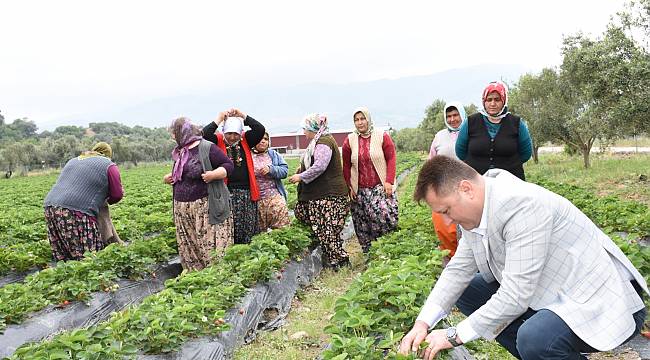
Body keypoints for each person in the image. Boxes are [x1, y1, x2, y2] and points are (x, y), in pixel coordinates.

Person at [399, 156, 648, 360]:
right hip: (553, 290)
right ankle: (539, 357)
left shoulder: (521, 205)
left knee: (535, 337)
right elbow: (457, 271)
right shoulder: (478, 209)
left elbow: (515, 296)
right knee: (470, 290)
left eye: (446, 210)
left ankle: (542, 351)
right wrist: (423, 322)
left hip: (599, 300)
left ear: (466, 189)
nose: (446, 221)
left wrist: (454, 336)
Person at [163, 117, 234, 271]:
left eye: (174, 133)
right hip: (182, 208)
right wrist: (170, 176)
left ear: (183, 132)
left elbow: (228, 165)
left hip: (204, 206)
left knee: (209, 244)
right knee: (190, 244)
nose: (173, 137)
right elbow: (185, 171)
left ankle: (215, 276)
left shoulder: (206, 147)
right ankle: (195, 275)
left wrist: (214, 174)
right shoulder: (181, 151)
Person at [43, 142, 124, 261]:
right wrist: (105, 199)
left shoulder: (73, 160)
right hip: (76, 212)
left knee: (64, 258)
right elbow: (117, 195)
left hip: (50, 208)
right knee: (89, 259)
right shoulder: (109, 165)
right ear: (108, 155)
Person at [289, 113, 350, 269]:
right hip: (321, 195)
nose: (303, 132)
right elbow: (315, 163)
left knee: (328, 229)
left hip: (329, 195)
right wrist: (302, 168)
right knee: (324, 228)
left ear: (312, 128)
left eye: (305, 128)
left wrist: (301, 176)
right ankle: (335, 259)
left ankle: (339, 262)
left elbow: (320, 166)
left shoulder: (323, 142)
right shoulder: (319, 141)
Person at [203, 108, 266, 244]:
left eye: (236, 134)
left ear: (240, 133)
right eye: (229, 133)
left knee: (247, 226)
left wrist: (242, 115)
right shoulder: (217, 140)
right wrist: (219, 118)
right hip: (226, 192)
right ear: (224, 132)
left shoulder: (246, 140)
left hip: (246, 193)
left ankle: (247, 251)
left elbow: (260, 129)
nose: (232, 137)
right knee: (229, 226)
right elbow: (205, 134)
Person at [342, 107, 398, 253]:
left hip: (380, 185)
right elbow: (346, 165)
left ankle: (388, 248)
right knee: (363, 222)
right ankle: (370, 253)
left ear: (368, 119)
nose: (360, 123)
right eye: (356, 120)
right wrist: (349, 187)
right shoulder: (350, 140)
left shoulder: (381, 136)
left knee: (384, 216)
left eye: (362, 119)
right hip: (359, 188)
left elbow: (391, 158)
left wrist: (389, 181)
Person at [455, 81, 532, 180]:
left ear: (503, 101)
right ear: (484, 101)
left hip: (511, 182)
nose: (492, 103)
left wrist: (509, 164)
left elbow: (526, 153)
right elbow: (460, 152)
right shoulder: (470, 122)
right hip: (477, 182)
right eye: (489, 99)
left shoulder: (516, 123)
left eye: (497, 99)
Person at [428, 102, 466, 260]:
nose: (452, 119)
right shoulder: (440, 136)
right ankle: (451, 258)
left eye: (455, 115)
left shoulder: (470, 133)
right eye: (449, 116)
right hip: (444, 187)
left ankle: (470, 260)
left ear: (462, 115)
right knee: (445, 225)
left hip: (466, 187)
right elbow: (431, 161)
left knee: (466, 225)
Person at [251, 131, 290, 231]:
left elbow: (284, 171)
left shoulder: (273, 154)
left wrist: (271, 169)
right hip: (256, 200)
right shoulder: (248, 155)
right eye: (260, 139)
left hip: (274, 196)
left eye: (265, 139)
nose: (263, 141)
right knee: (259, 232)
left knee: (282, 229)